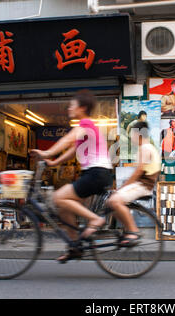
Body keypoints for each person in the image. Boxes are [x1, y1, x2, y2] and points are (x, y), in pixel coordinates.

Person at [30, 89, 113, 263]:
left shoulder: (86, 125)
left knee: (58, 197)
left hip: (96, 173)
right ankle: (75, 247)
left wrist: (46, 153)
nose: (69, 108)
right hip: (96, 174)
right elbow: (72, 150)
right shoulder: (86, 129)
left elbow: (66, 140)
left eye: (72, 105)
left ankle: (95, 220)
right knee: (64, 209)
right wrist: (54, 162)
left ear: (82, 107)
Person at [107, 121, 161, 246]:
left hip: (142, 186)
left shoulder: (145, 148)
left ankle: (133, 231)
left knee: (114, 201)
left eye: (132, 134)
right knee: (111, 202)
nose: (131, 137)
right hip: (141, 185)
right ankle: (128, 230)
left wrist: (122, 187)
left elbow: (138, 172)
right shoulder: (149, 148)